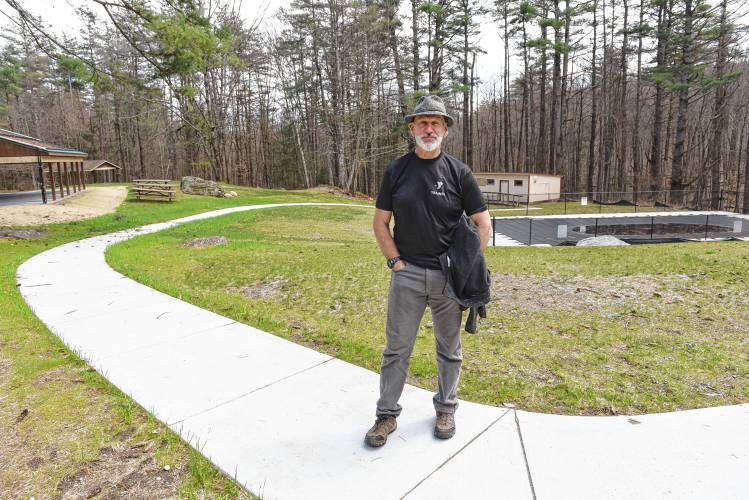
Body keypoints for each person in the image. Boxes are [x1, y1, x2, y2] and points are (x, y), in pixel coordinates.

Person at [365, 95, 492, 448]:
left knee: (449, 349)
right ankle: (386, 416)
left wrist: (464, 266)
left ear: (445, 130)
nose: (428, 128)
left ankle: (446, 409)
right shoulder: (396, 171)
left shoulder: (458, 173)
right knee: (396, 349)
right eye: (422, 122)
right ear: (412, 129)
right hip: (406, 275)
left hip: (447, 280)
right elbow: (380, 223)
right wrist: (395, 261)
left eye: (436, 122)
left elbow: (484, 225)